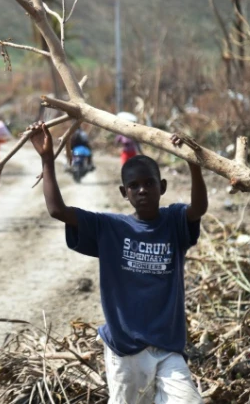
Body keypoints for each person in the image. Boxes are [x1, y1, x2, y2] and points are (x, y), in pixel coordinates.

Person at [28, 121, 208, 404]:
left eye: (149, 183)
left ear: (161, 187)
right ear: (124, 193)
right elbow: (57, 210)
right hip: (125, 350)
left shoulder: (174, 222)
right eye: (134, 186)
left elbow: (198, 209)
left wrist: (193, 163)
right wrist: (47, 159)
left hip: (167, 347)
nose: (142, 190)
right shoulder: (110, 228)